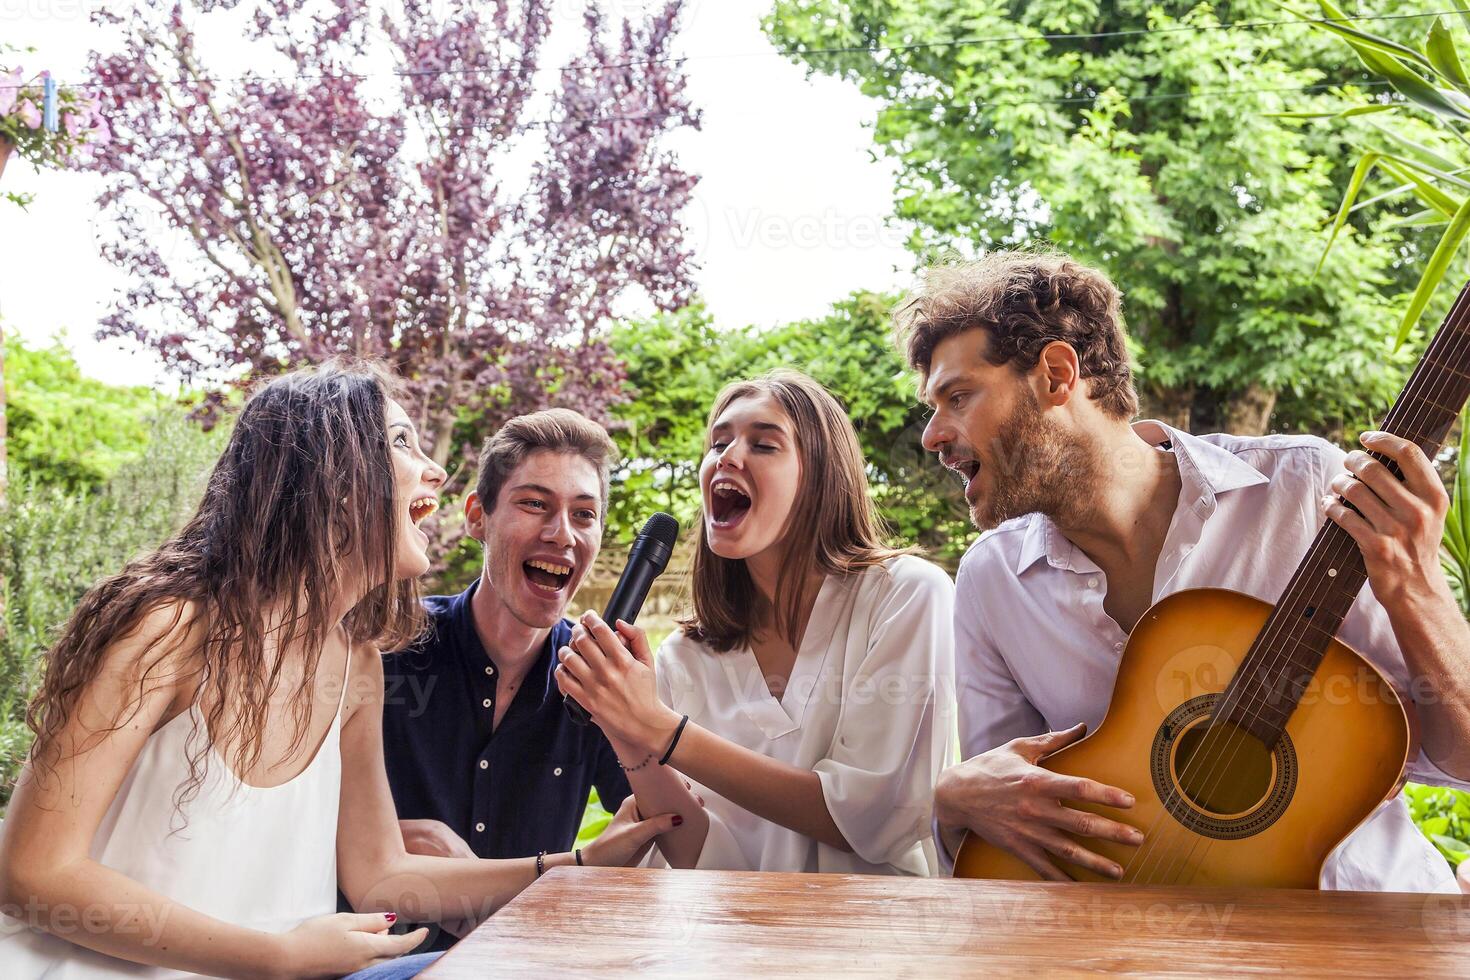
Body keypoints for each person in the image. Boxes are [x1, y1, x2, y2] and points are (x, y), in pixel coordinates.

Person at [0, 361, 676, 979]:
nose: (436, 472)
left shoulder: (354, 666)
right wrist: (277, 956)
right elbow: (31, 871)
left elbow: (379, 875)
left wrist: (578, 866)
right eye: (403, 443)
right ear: (330, 476)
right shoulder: (169, 629)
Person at [901, 251, 1470, 890]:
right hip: (1148, 949)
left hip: (1368, 925)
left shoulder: (1305, 488)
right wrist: (953, 800)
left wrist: (1415, 586)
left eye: (958, 396)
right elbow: (1010, 832)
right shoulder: (990, 580)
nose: (931, 436)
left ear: (1057, 375)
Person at [555, 369, 956, 875]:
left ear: (819, 478)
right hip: (734, 940)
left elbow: (876, 820)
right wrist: (629, 733)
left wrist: (660, 728)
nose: (727, 456)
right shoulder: (685, 655)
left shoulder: (906, 596)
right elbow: (697, 852)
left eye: (764, 445)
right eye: (718, 442)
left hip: (872, 941)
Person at [379, 410, 641, 949]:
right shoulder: (384, 650)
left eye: (584, 514)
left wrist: (646, 727)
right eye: (534, 504)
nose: (561, 533)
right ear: (478, 517)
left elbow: (675, 829)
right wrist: (381, 838)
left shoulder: (597, 678)